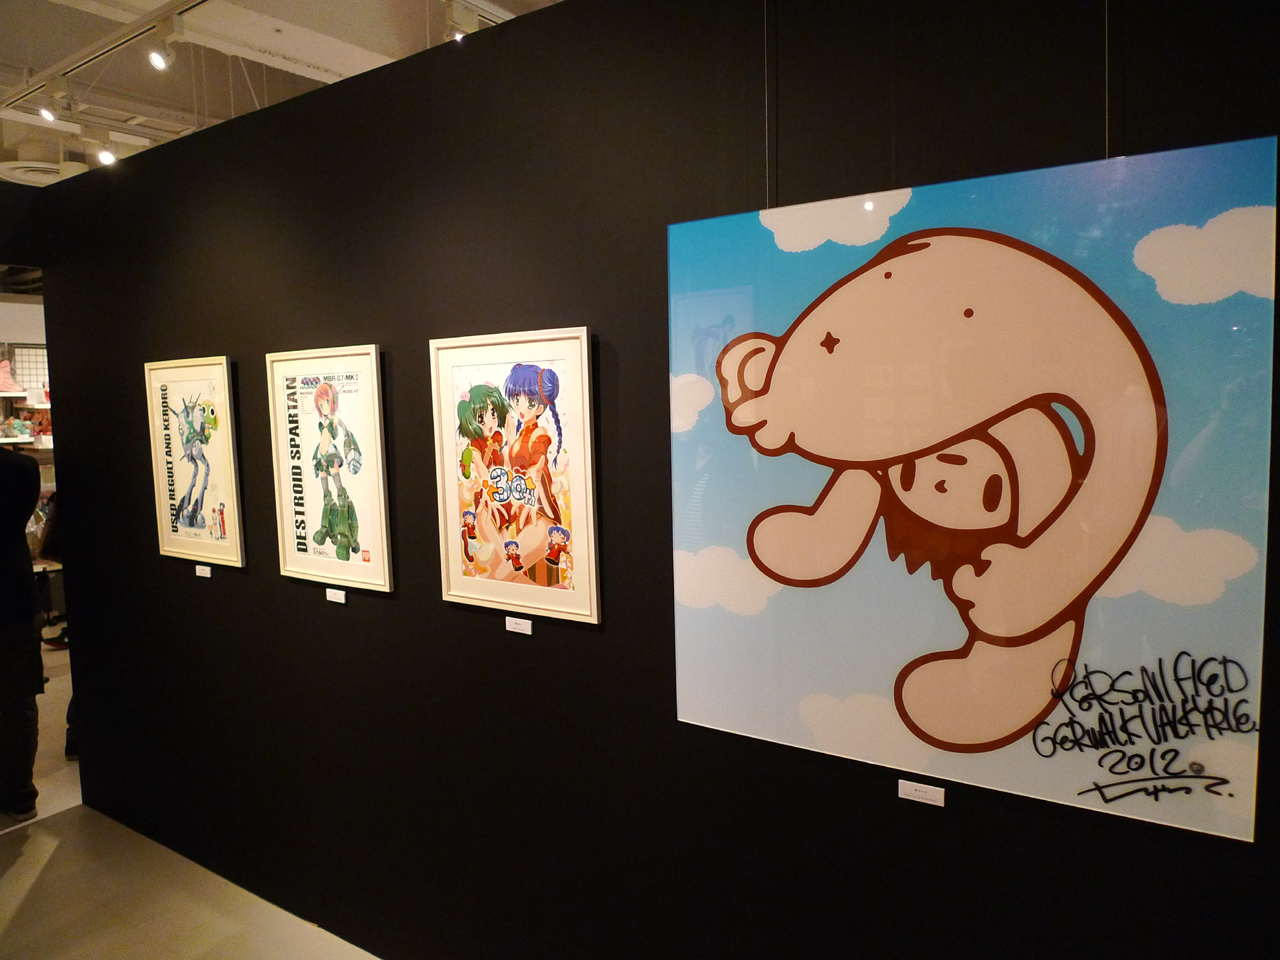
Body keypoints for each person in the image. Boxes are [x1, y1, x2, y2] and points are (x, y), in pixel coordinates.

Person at [0, 446, 44, 824]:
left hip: (14, 603)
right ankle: (18, 793)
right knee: (17, 703)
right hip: (13, 598)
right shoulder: (21, 469)